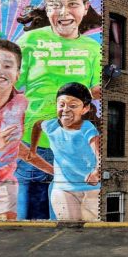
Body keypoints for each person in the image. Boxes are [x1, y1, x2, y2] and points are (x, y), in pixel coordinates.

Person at [14, 0, 101, 219]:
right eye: (55, 5)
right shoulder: (29, 41)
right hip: (34, 146)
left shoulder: (93, 48)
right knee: (29, 219)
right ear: (47, 9)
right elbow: (11, 85)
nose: (64, 12)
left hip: (73, 149)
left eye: (72, 4)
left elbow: (95, 90)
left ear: (85, 7)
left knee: (65, 220)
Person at [0, 40, 53, 220]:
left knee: (6, 237)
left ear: (17, 75)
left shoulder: (21, 103)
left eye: (7, 66)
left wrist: (53, 170)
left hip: (5, 182)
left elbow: (15, 146)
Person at [29, 83, 100, 221]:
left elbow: (99, 153)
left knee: (90, 228)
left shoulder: (87, 129)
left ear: (85, 109)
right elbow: (37, 125)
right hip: (64, 188)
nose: (66, 109)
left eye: (73, 106)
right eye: (61, 105)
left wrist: (97, 172)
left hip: (91, 188)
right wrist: (33, 149)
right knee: (70, 226)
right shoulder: (51, 126)